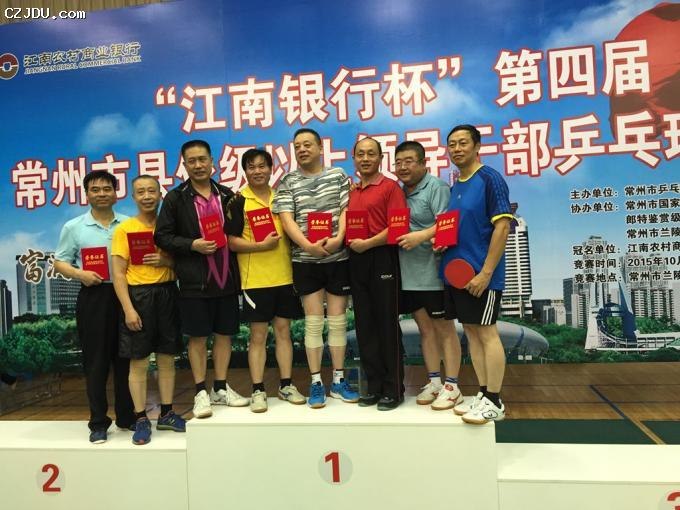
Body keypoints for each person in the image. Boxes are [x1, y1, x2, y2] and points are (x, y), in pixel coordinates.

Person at [155, 140, 248, 419]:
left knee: (224, 335)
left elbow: (237, 232)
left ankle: (220, 388)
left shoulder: (228, 195)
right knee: (197, 338)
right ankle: (200, 392)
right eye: (192, 161)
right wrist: (192, 245)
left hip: (227, 278)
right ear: (184, 165)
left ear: (212, 162)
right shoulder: (176, 198)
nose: (198, 165)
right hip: (195, 281)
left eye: (202, 159)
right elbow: (162, 236)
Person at [273, 128, 358, 408]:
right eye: (297, 146)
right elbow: (287, 219)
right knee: (313, 322)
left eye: (307, 144)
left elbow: (346, 210)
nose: (302, 149)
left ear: (321, 148)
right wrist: (307, 246)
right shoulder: (288, 181)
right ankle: (316, 382)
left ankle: (338, 380)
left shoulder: (338, 176)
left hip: (338, 258)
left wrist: (339, 239)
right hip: (305, 260)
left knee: (337, 321)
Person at [54, 170, 135, 443]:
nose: (101, 193)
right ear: (87, 194)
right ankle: (98, 422)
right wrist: (80, 274)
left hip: (127, 296)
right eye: (95, 189)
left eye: (106, 188)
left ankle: (127, 417)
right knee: (96, 361)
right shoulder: (74, 227)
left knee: (126, 359)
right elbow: (59, 261)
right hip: (94, 296)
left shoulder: (128, 224)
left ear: (116, 193)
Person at [441, 124, 512, 425]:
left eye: (463, 143)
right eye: (452, 144)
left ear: (477, 146)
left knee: (487, 333)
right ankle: (484, 393)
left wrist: (485, 273)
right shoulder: (456, 186)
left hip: (482, 277)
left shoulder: (490, 179)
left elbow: (503, 226)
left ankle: (495, 400)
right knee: (471, 332)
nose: (457, 149)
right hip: (458, 275)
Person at [226, 148, 306, 413]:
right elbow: (231, 242)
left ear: (271, 169)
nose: (257, 171)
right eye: (251, 167)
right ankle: (258, 390)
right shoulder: (238, 201)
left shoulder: (281, 197)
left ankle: (286, 385)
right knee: (258, 336)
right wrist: (261, 246)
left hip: (284, 276)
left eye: (262, 166)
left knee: (284, 332)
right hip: (255, 281)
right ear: (244, 171)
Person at [111, 175, 185, 445]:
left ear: (160, 194)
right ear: (133, 197)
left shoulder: (171, 228)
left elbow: (186, 262)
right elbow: (118, 274)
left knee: (166, 358)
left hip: (167, 294)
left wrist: (167, 261)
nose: (146, 196)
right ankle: (141, 417)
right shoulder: (125, 229)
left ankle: (167, 413)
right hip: (138, 297)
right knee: (139, 361)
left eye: (151, 191)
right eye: (140, 192)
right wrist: (128, 309)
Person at [394, 141, 463, 411]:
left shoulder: (437, 187)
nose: (403, 167)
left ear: (423, 163)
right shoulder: (398, 192)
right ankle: (434, 381)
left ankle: (453, 386)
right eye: (398, 162)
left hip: (434, 274)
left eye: (409, 161)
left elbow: (448, 223)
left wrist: (420, 236)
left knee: (445, 330)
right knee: (425, 330)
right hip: (409, 275)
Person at [347, 137, 406, 410]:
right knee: (365, 326)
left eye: (371, 154)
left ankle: (393, 390)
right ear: (354, 158)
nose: (365, 158)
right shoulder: (352, 191)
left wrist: (368, 243)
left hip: (382, 257)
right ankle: (373, 387)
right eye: (360, 154)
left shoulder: (390, 187)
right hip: (356, 259)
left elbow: (398, 228)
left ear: (381, 158)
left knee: (386, 325)